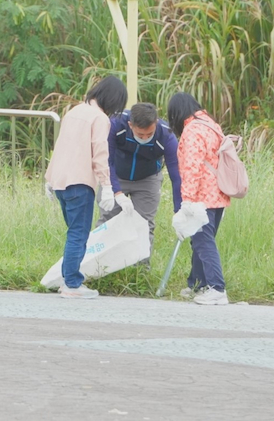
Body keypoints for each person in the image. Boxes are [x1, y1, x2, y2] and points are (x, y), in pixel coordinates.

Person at [44, 76, 128, 299]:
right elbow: (100, 154)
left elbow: (60, 147)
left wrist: (49, 178)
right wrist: (107, 186)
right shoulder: (99, 119)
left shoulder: (73, 112)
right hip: (80, 183)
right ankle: (71, 283)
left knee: (74, 233)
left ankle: (68, 281)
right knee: (78, 235)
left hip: (61, 182)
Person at [97, 102, 182, 262]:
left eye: (149, 134)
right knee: (107, 220)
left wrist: (180, 210)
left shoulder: (166, 135)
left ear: (155, 123)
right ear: (130, 125)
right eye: (140, 134)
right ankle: (100, 266)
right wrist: (115, 191)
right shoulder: (116, 123)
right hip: (116, 175)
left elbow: (176, 175)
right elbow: (106, 160)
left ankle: (141, 271)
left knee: (144, 224)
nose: (144, 138)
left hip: (148, 179)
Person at [167, 92, 230, 305]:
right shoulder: (212, 124)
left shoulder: (192, 130)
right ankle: (197, 284)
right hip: (219, 192)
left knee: (203, 241)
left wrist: (187, 201)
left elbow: (191, 168)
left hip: (202, 196)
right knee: (200, 238)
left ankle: (217, 288)